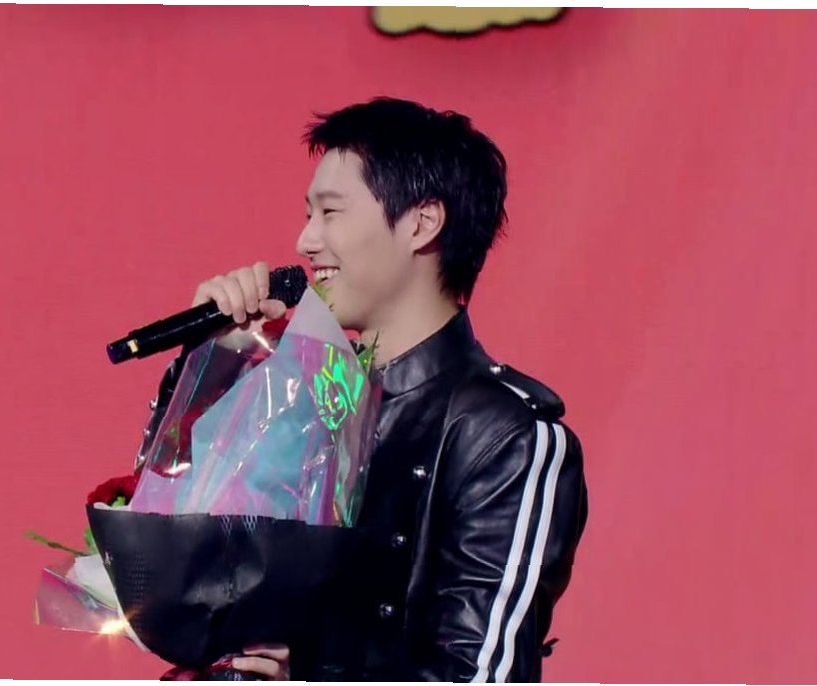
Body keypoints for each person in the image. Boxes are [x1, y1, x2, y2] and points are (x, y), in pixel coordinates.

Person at [135, 97, 589, 682]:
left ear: (423, 223)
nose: (305, 240)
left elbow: (478, 674)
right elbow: (169, 529)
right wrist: (221, 361)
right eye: (308, 214)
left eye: (331, 212)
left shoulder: (505, 436)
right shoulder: (294, 397)